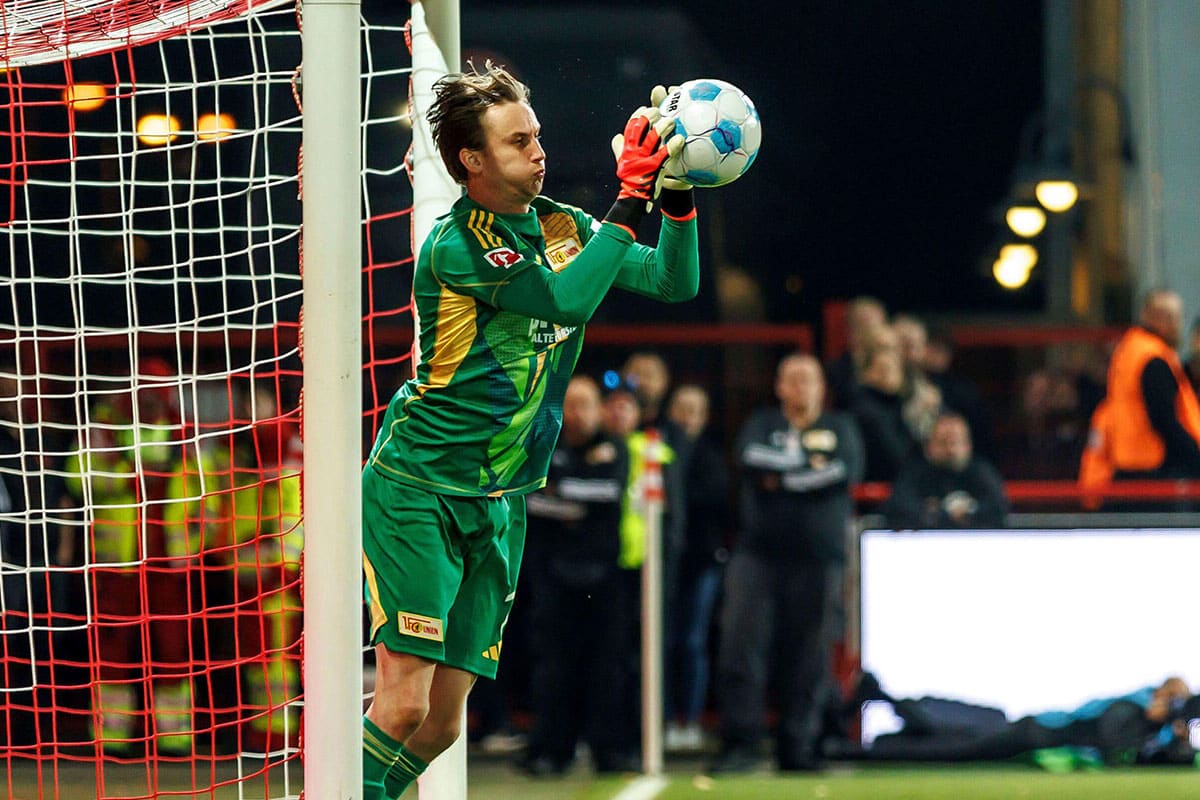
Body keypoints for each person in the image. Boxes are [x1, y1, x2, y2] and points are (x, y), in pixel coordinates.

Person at [360, 62, 700, 799]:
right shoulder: (459, 246)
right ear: (472, 162)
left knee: (445, 725)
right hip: (420, 489)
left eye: (537, 134)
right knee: (405, 701)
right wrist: (629, 197)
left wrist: (673, 194)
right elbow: (569, 302)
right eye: (518, 142)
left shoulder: (564, 226)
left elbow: (675, 283)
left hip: (502, 499)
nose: (539, 151)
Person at [710, 353, 864, 773]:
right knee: (741, 647)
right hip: (757, 555)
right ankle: (740, 744)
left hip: (820, 560)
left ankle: (798, 747)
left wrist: (783, 480)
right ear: (779, 387)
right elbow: (751, 461)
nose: (799, 388)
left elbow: (841, 472)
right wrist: (806, 473)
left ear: (821, 387)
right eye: (791, 380)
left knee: (811, 656)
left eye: (807, 380)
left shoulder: (840, 428)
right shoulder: (762, 424)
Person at [519, 375, 634, 775]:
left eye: (586, 404)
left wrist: (562, 492)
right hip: (554, 575)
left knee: (609, 666)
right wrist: (572, 501)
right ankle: (551, 751)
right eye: (571, 404)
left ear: (600, 408)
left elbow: (609, 493)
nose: (578, 413)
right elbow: (530, 499)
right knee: (554, 666)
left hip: (605, 577)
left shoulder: (615, 447)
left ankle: (610, 752)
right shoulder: (544, 444)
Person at [844, 674, 1195, 768]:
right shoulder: (1132, 707)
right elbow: (1110, 744)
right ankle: (854, 747)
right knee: (952, 747)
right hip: (1036, 734)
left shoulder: (1152, 723)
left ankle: (877, 712)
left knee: (954, 737)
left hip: (1036, 733)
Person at [663, 383, 730, 753]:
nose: (687, 417)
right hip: (663, 565)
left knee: (691, 642)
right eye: (681, 408)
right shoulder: (657, 449)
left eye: (695, 410)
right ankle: (661, 717)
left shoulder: (711, 455)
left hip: (701, 562)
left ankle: (688, 720)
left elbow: (714, 500)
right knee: (663, 642)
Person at [1094, 289, 1200, 490]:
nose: (1177, 325)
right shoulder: (1153, 358)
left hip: (1127, 462)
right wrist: (1194, 457)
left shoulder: (1131, 349)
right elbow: (1164, 419)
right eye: (1173, 318)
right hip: (1152, 467)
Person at [883, 411, 1009, 530]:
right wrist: (940, 515)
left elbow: (998, 507)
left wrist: (969, 513)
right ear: (929, 446)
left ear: (968, 445)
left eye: (956, 442)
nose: (951, 450)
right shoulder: (915, 473)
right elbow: (899, 507)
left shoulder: (981, 472)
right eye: (943, 442)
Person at [849, 344, 919, 482]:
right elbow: (895, 457)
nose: (890, 375)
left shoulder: (898, 407)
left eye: (895, 370)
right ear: (866, 374)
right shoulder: (865, 410)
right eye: (883, 370)